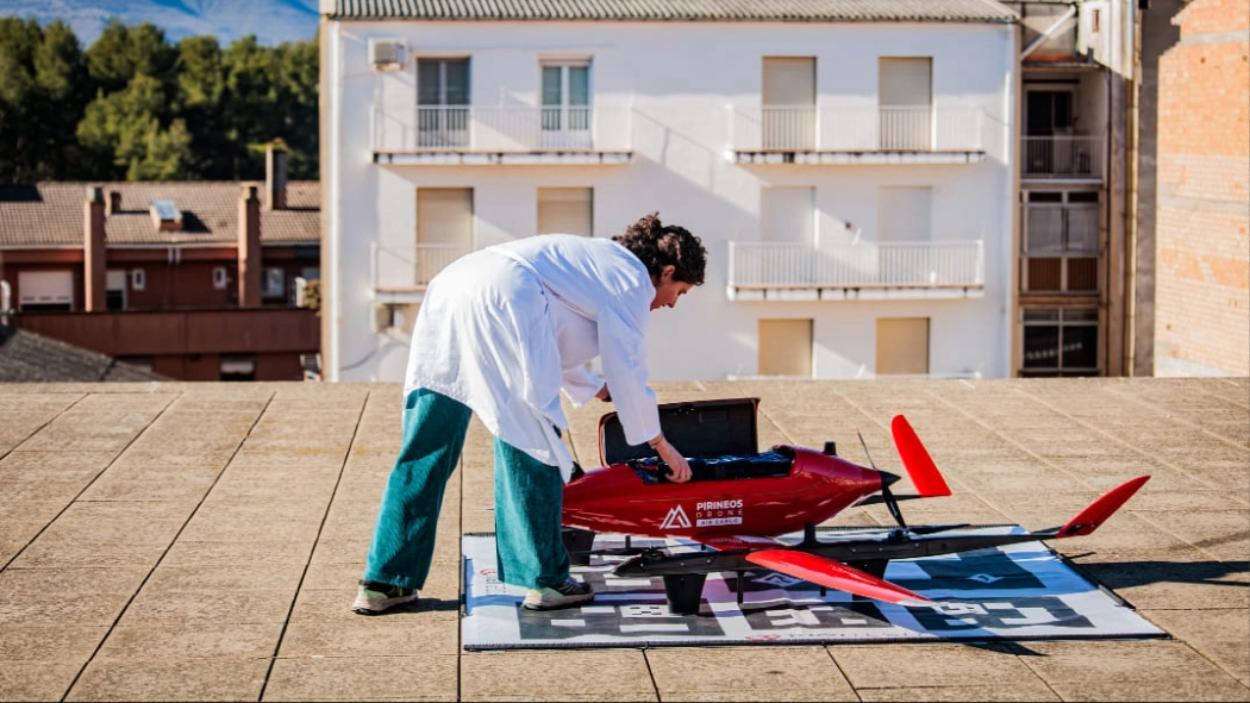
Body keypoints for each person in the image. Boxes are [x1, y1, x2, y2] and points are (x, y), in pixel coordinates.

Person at [353, 213, 707, 613]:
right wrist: (660, 444)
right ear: (667, 271)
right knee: (531, 441)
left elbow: (557, 338)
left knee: (426, 448)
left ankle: (384, 582)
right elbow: (627, 364)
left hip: (451, 289)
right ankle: (546, 580)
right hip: (505, 295)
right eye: (680, 291)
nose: (672, 303)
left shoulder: (590, 262)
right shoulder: (632, 278)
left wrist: (594, 388)